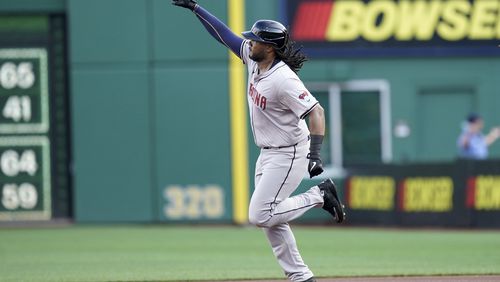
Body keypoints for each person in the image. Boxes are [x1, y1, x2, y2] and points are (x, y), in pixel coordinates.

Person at [172, 1, 346, 281]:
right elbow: (223, 34)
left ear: (270, 47)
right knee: (272, 221)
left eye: (255, 40)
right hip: (267, 152)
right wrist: (196, 9)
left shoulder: (283, 79)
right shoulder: (255, 62)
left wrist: (315, 154)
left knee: (260, 214)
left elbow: (317, 112)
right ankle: (300, 275)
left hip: (289, 151)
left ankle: (319, 195)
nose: (249, 42)